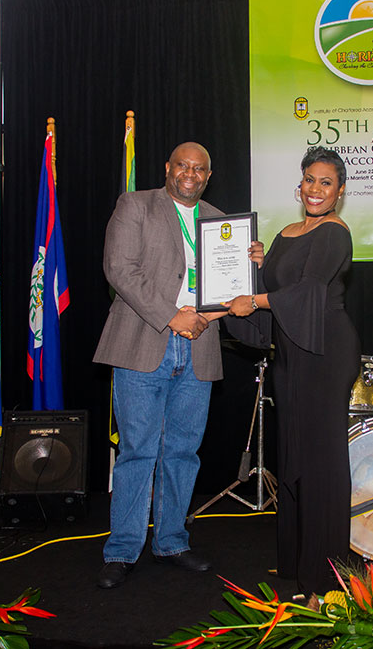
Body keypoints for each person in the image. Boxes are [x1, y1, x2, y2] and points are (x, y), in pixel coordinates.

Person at [92, 142, 261, 589]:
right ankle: (122, 550)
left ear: (209, 175)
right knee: (137, 451)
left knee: (184, 452)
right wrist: (172, 316)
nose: (190, 173)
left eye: (199, 168)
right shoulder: (136, 205)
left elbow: (230, 290)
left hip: (199, 344)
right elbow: (119, 268)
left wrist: (250, 267)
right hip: (144, 341)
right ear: (168, 168)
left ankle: (171, 541)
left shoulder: (220, 221)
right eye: (183, 165)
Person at [224, 146, 360, 596]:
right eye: (309, 180)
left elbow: (308, 292)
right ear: (299, 184)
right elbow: (278, 285)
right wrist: (259, 265)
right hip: (290, 353)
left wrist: (254, 300)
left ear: (340, 191)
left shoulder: (335, 233)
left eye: (326, 182)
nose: (316, 189)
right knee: (294, 456)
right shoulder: (286, 232)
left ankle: (325, 575)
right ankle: (296, 562)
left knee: (321, 462)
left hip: (325, 353)